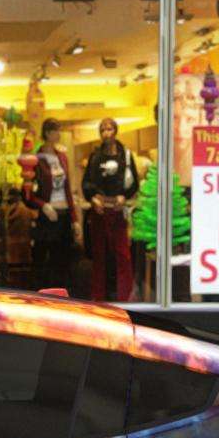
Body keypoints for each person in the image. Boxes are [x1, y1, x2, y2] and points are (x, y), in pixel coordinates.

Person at [80, 117, 139, 301]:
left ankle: (125, 297)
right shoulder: (95, 156)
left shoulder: (125, 155)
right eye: (103, 130)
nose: (106, 133)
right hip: (99, 211)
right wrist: (92, 198)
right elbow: (86, 183)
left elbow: (134, 183)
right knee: (99, 256)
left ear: (115, 131)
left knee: (123, 255)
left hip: (118, 211)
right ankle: (98, 298)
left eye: (109, 129)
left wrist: (124, 195)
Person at [23, 118, 81, 292]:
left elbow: (67, 189)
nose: (59, 134)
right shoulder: (35, 159)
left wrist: (74, 219)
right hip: (48, 216)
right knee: (44, 261)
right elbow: (27, 194)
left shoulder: (62, 157)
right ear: (48, 133)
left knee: (63, 260)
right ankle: (43, 296)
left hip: (63, 213)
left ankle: (62, 296)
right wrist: (44, 205)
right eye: (56, 130)